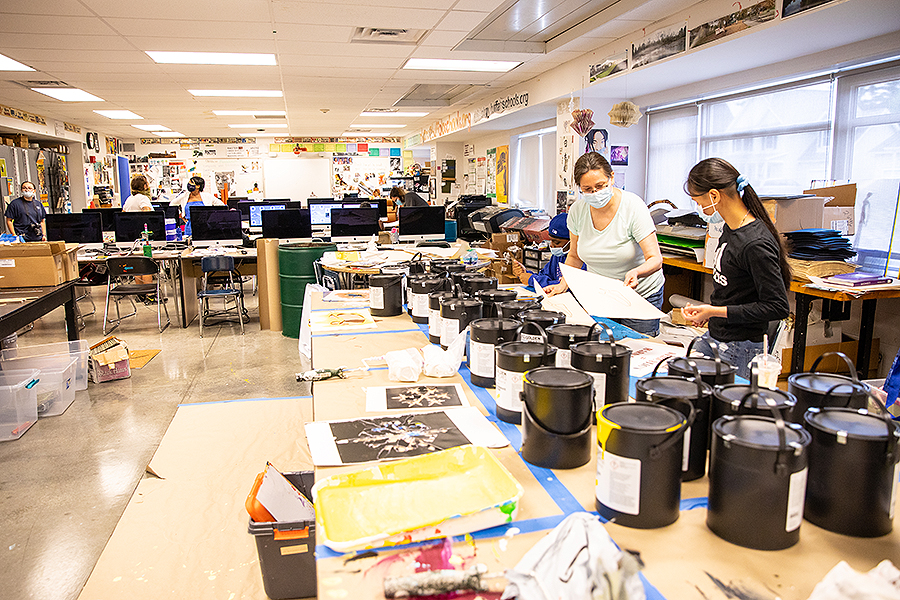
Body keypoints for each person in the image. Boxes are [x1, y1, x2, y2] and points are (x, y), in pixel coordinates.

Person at [680, 158, 790, 379]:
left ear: (714, 196)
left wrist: (714, 311)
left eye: (698, 202)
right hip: (717, 336)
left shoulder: (755, 243)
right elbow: (735, 292)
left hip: (742, 347)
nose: (699, 208)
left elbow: (777, 307)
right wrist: (709, 313)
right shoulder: (730, 229)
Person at [545, 152, 664, 336]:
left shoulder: (633, 207)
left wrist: (636, 272)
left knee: (637, 346)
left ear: (612, 178)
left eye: (600, 186)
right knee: (600, 344)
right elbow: (574, 256)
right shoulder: (578, 211)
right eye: (587, 189)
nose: (595, 193)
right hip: (601, 295)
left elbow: (655, 259)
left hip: (639, 295)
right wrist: (563, 284)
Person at [511, 213, 584, 288]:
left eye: (557, 242)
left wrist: (532, 280)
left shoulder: (582, 260)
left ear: (573, 240)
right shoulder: (557, 256)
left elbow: (570, 286)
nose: (551, 245)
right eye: (550, 240)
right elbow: (544, 275)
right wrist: (525, 273)